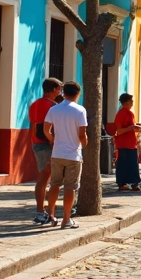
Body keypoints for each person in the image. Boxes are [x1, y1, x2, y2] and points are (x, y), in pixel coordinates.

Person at [44, 81, 88, 229]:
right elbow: (82, 134)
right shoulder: (80, 110)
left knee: (55, 184)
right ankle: (66, 218)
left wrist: (53, 140)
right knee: (70, 187)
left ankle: (50, 213)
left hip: (57, 153)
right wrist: (84, 143)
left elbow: (46, 130)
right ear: (78, 93)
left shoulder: (54, 109)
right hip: (73, 154)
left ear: (63, 93)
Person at [30, 78, 63, 223]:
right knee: (49, 179)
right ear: (54, 89)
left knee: (44, 178)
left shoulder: (34, 104)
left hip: (36, 143)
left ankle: (43, 210)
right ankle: (46, 211)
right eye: (59, 88)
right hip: (49, 144)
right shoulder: (53, 106)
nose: (61, 91)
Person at [113, 93, 141, 191]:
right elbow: (119, 131)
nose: (133, 102)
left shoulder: (130, 113)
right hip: (123, 144)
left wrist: (135, 128)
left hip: (131, 143)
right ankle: (122, 183)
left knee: (133, 164)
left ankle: (134, 183)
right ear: (126, 102)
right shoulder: (121, 114)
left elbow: (130, 127)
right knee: (122, 164)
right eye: (131, 100)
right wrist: (132, 127)